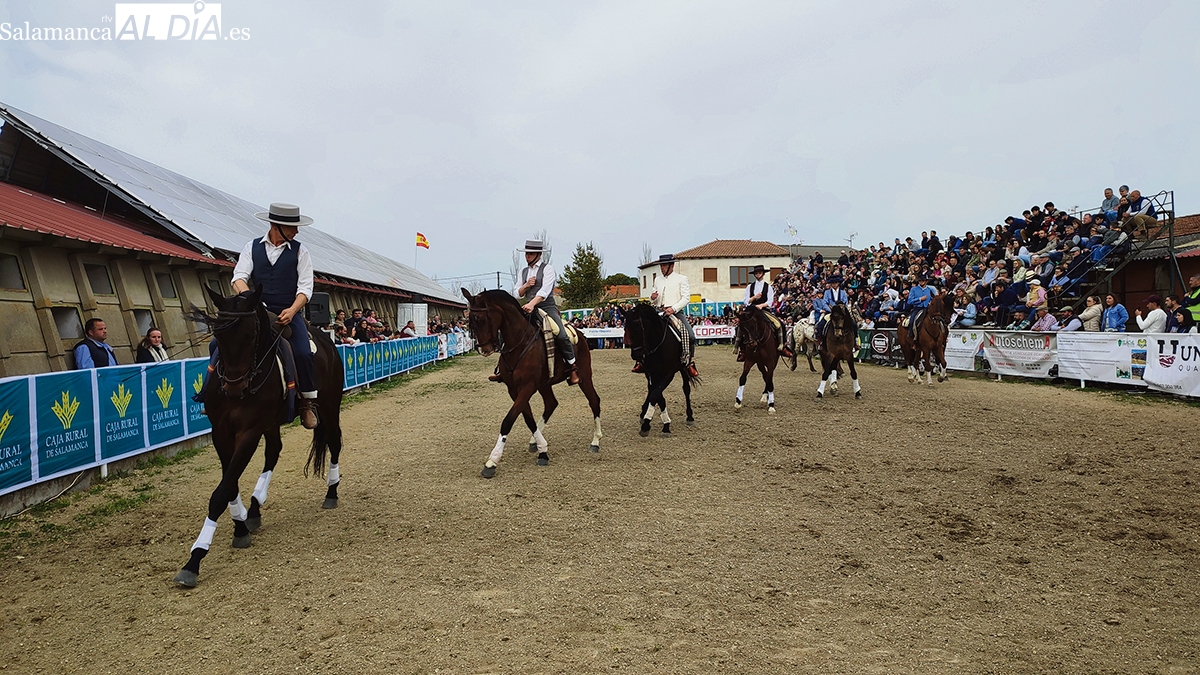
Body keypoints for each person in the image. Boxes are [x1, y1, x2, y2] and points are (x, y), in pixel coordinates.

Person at [231, 202, 320, 429]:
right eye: (292, 227)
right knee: (218, 344)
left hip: (288, 311)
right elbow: (239, 278)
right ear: (275, 226)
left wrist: (292, 310)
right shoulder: (251, 247)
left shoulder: (300, 251)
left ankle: (306, 402)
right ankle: (209, 392)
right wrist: (250, 300)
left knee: (303, 352)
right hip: (257, 311)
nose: (296, 231)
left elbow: (305, 288)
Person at [501, 239, 579, 385]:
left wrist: (532, 304)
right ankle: (503, 370)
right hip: (528, 307)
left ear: (538, 254)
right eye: (526, 253)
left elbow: (544, 291)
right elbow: (517, 293)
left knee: (561, 334)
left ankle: (572, 367)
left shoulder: (548, 269)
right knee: (509, 330)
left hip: (546, 307)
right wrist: (526, 286)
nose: (527, 256)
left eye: (530, 254)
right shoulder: (523, 272)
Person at [636, 253, 699, 377]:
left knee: (690, 335)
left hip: (675, 312)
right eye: (661, 265)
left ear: (672, 265)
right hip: (658, 311)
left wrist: (673, 309)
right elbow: (654, 299)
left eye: (664, 265)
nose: (662, 268)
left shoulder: (682, 279)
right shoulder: (657, 280)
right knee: (642, 331)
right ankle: (641, 361)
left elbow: (686, 298)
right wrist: (652, 298)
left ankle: (689, 362)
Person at [734, 265, 793, 361]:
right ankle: (741, 350)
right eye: (756, 273)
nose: (758, 275)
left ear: (763, 274)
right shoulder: (750, 286)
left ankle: (782, 347)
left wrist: (762, 305)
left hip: (763, 310)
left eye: (759, 273)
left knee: (779, 324)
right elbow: (745, 301)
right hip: (751, 310)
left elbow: (770, 301)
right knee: (740, 326)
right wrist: (754, 298)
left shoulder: (768, 287)